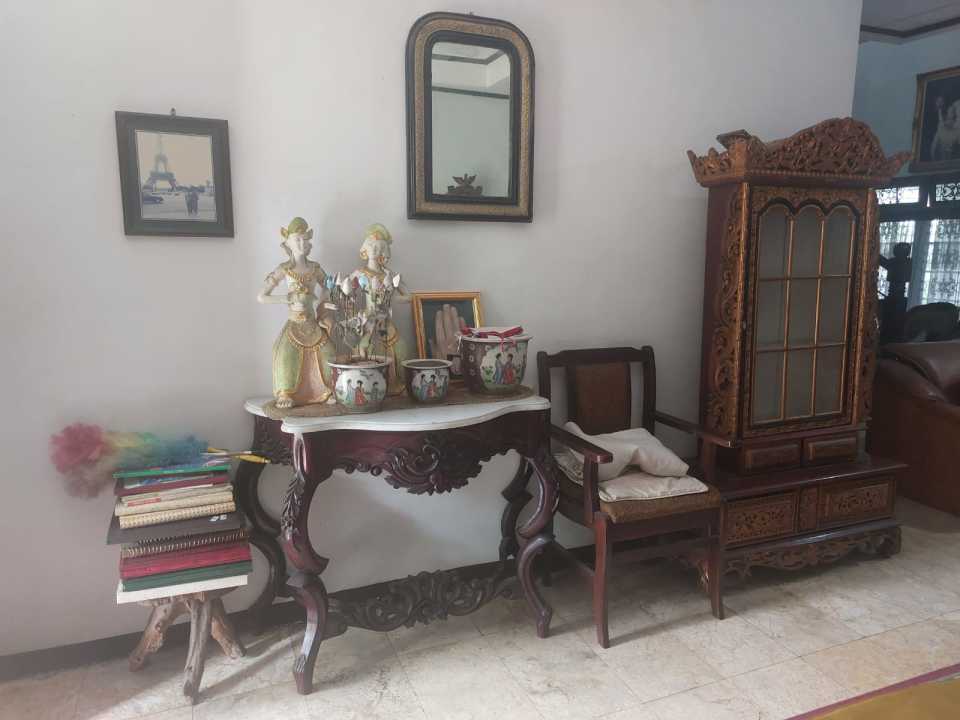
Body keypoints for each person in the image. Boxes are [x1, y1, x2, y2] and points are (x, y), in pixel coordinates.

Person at [257, 217, 335, 409]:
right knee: (285, 354)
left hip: (313, 322)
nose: (301, 244)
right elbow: (262, 296)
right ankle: (286, 392)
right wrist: (287, 298)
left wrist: (323, 310)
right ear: (288, 244)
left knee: (329, 352)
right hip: (294, 321)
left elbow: (331, 287)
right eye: (296, 240)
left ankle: (327, 391)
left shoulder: (315, 268)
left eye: (304, 239)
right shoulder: (284, 269)